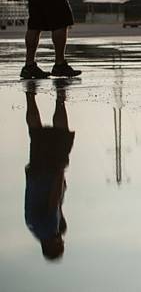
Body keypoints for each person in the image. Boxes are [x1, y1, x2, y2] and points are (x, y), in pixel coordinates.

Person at [24, 80, 76, 261]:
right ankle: (30, 97)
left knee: (60, 135)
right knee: (35, 133)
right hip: (36, 173)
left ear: (52, 246)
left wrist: (60, 172)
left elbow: (53, 201)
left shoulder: (48, 229)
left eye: (60, 245)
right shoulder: (34, 228)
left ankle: (60, 97)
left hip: (48, 172)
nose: (62, 241)